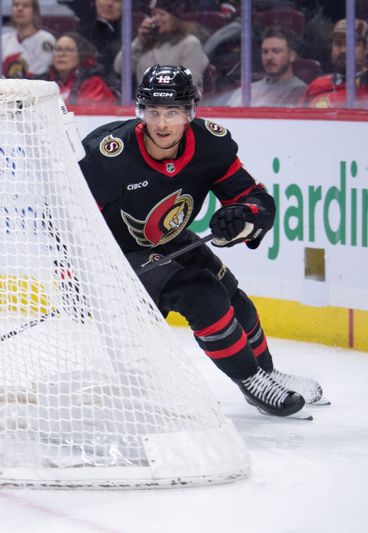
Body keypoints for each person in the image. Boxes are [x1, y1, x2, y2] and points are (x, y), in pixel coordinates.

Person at [77, 64, 326, 418]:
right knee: (199, 291)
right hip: (115, 253)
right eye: (154, 112)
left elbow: (256, 199)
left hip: (171, 238)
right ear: (140, 111)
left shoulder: (210, 145)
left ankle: (267, 374)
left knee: (232, 295)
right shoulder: (107, 154)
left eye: (173, 112)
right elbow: (68, 215)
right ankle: (252, 382)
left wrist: (242, 219)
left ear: (190, 111)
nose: (162, 124)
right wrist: (73, 270)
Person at [114, 0, 209, 96]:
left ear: (175, 18)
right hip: (146, 106)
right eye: (154, 14)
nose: (156, 19)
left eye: (162, 14)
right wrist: (139, 41)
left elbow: (187, 84)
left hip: (177, 107)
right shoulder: (146, 42)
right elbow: (120, 68)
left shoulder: (190, 44)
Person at [226, 26, 307, 107]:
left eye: (276, 51)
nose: (269, 57)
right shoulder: (246, 90)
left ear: (292, 55)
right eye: (265, 52)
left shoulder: (299, 92)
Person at [303, 18, 368, 108]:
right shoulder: (317, 85)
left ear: (366, 49)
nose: (343, 50)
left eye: (351, 44)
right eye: (337, 44)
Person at [39, 32, 116, 105]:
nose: (61, 54)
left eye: (68, 50)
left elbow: (88, 115)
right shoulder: (43, 82)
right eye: (58, 49)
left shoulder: (93, 83)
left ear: (81, 55)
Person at [1, 0, 55, 79]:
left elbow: (39, 75)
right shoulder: (3, 40)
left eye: (26, 6)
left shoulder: (46, 40)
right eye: (16, 5)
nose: (19, 9)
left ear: (34, 12)